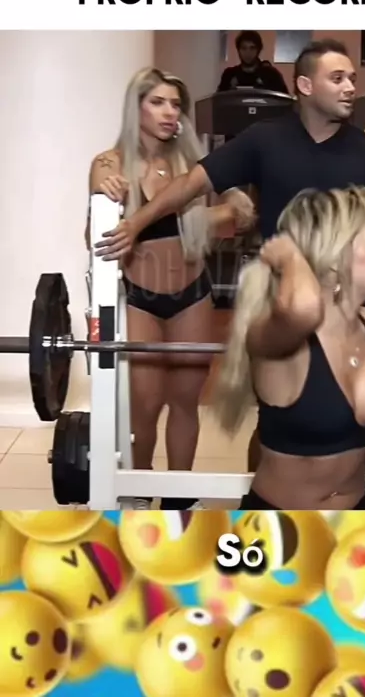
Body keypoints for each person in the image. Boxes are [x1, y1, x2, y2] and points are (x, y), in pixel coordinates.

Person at [94, 39, 365, 472]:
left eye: (352, 79)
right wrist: (135, 223)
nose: (349, 88)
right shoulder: (264, 140)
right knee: (275, 421)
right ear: (305, 85)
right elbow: (191, 185)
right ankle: (261, 497)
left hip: (353, 306)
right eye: (337, 78)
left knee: (360, 421)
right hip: (283, 303)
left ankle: (348, 501)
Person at [212, 187, 365, 511]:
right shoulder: (278, 337)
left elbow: (353, 421)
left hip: (355, 517)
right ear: (336, 257)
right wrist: (289, 256)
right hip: (283, 525)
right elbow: (304, 308)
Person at [87, 67, 255, 510]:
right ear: (136, 107)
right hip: (140, 297)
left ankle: (179, 495)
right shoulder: (110, 165)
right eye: (157, 102)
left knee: (185, 402)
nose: (168, 112)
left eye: (175, 104)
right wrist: (105, 199)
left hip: (191, 294)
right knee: (145, 404)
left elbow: (242, 215)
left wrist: (212, 215)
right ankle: (141, 490)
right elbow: (95, 237)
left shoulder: (193, 166)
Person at [217, 31, 289, 94]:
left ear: (258, 50)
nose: (248, 53)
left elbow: (284, 101)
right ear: (238, 50)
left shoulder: (271, 75)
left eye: (252, 48)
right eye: (244, 48)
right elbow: (218, 101)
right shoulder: (229, 75)